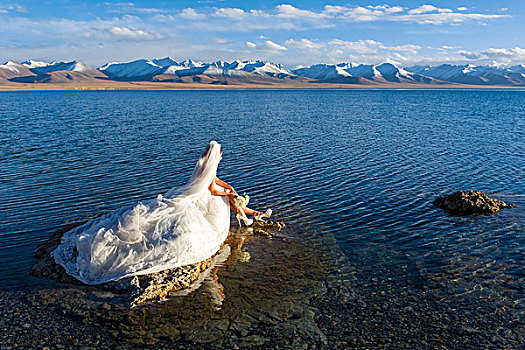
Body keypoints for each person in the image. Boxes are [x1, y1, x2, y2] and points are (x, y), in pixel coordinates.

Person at [52, 141, 270, 285]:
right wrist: (227, 191)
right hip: (198, 197)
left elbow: (214, 180)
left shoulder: (204, 164)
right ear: (218, 155)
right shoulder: (209, 167)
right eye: (221, 155)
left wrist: (228, 188)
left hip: (195, 194)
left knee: (227, 196)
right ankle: (250, 214)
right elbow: (212, 188)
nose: (220, 158)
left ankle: (251, 214)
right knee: (218, 202)